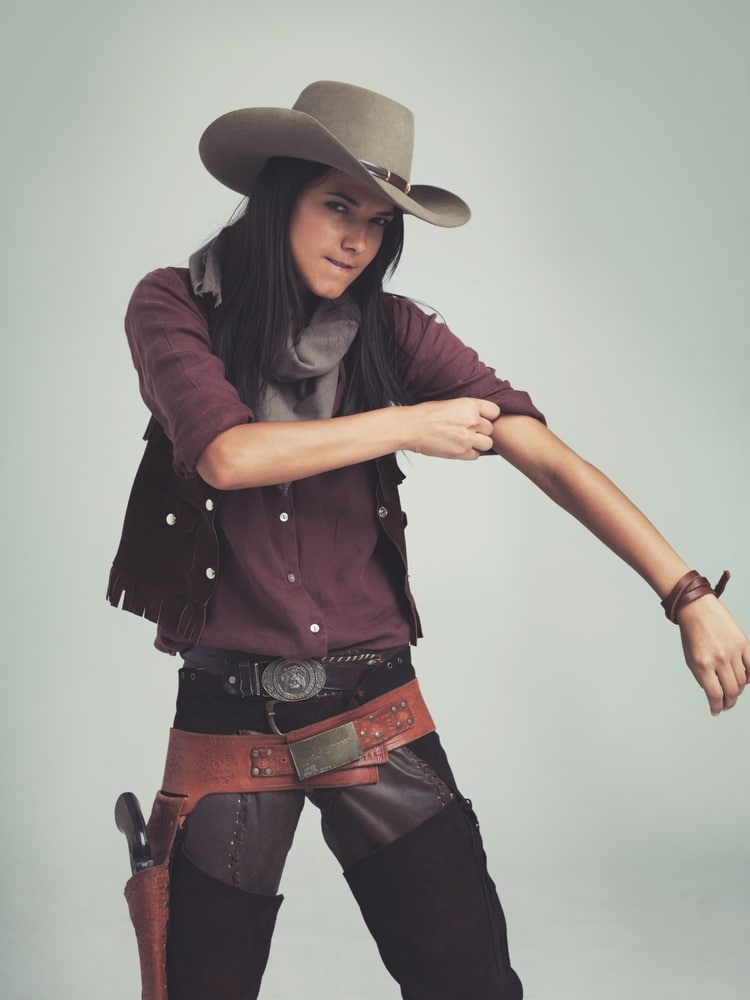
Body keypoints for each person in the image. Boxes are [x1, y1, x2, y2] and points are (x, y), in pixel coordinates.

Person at [109, 81, 749, 1000]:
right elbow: (224, 454)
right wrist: (404, 424)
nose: (358, 240)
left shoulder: (393, 330)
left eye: (377, 220)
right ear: (279, 192)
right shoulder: (172, 305)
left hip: (375, 706)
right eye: (338, 206)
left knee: (471, 983)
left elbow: (549, 459)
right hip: (229, 719)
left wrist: (688, 594)